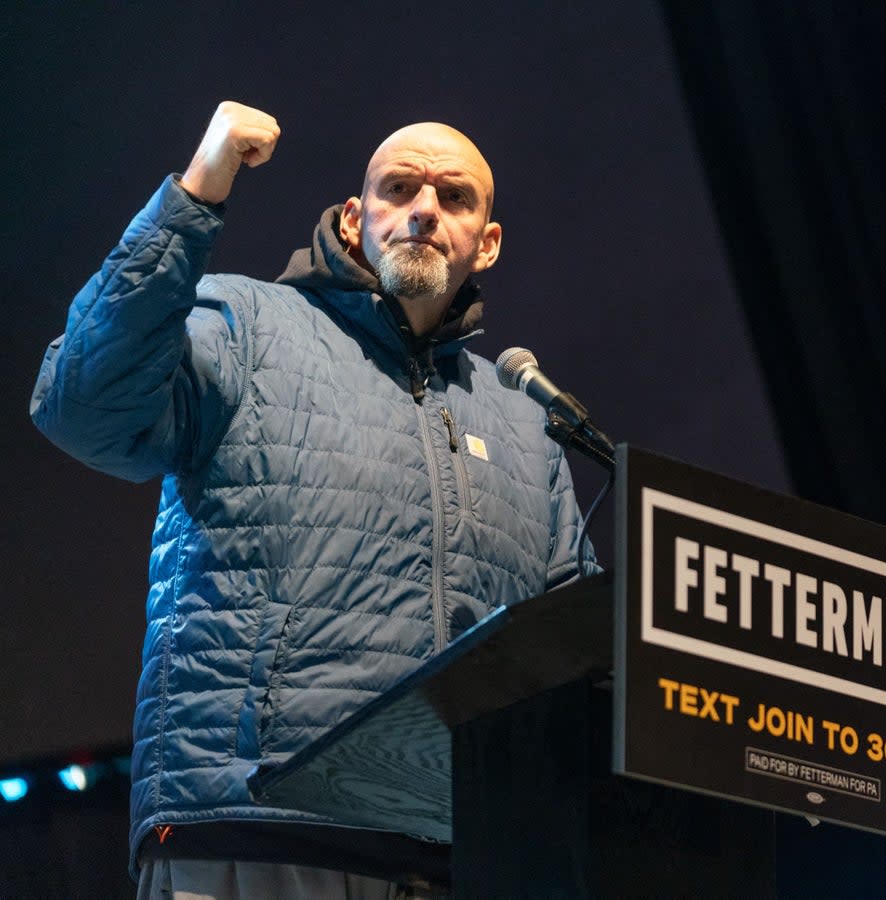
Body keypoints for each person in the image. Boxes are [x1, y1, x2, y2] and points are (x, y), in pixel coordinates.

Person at [30, 101, 597, 898]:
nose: (425, 211)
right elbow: (81, 405)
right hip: (255, 827)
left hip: (458, 856)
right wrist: (197, 192)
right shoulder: (246, 323)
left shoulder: (523, 420)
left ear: (488, 242)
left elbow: (573, 657)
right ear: (358, 217)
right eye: (401, 189)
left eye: (455, 198)